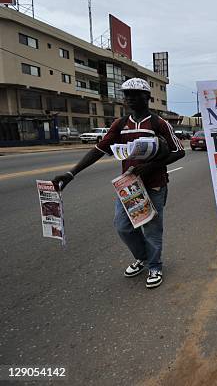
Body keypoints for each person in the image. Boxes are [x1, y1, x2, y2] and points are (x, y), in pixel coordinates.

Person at [52, 78, 185, 289]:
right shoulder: (121, 124)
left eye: (135, 94)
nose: (130, 98)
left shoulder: (159, 123)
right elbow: (99, 149)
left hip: (154, 184)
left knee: (151, 228)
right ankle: (143, 258)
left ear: (147, 97)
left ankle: (155, 266)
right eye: (127, 95)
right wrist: (71, 173)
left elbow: (179, 151)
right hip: (130, 185)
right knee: (123, 226)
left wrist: (150, 166)